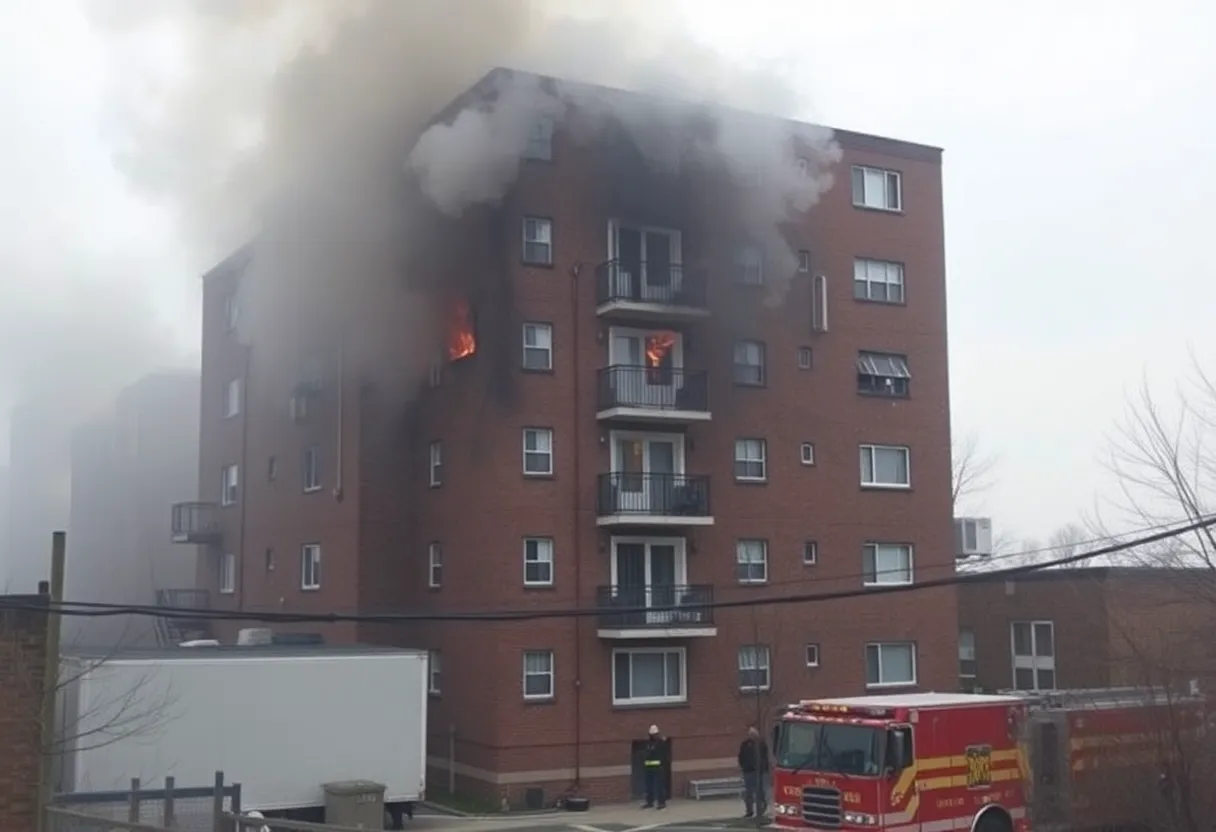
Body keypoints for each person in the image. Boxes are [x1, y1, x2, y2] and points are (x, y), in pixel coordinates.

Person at [737, 725, 770, 818]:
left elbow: (765, 757)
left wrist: (763, 768)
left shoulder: (761, 744)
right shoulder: (745, 744)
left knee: (759, 792)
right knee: (749, 793)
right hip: (748, 771)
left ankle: (761, 809)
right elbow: (741, 756)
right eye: (750, 733)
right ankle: (749, 811)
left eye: (753, 733)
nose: (752, 735)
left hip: (758, 772)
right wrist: (743, 766)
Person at [641, 724, 667, 809]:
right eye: (652, 735)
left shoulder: (661, 743)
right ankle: (649, 802)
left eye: (655, 734)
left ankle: (662, 803)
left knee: (660, 786)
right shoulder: (648, 743)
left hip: (658, 768)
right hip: (649, 768)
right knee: (649, 786)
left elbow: (664, 755)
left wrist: (662, 765)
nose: (653, 736)